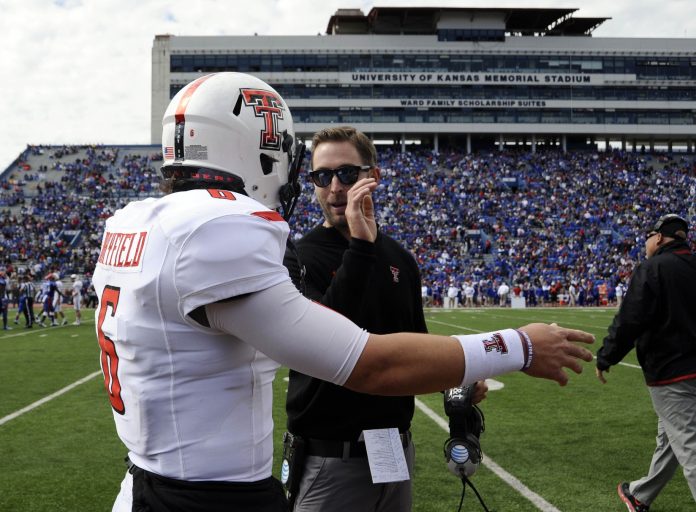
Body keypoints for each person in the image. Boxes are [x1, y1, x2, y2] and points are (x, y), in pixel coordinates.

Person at [93, 72, 594, 512]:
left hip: (154, 480)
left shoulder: (138, 223)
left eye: (346, 174)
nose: (326, 184)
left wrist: (453, 378)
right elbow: (365, 361)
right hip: (209, 493)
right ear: (258, 151)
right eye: (314, 172)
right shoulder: (219, 231)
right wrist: (518, 347)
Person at [282, 126, 485, 512]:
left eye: (346, 173)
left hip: (393, 450)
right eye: (322, 177)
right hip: (330, 459)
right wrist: (360, 245)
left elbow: (416, 345)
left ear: (372, 177)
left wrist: (452, 384)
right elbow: (326, 342)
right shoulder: (298, 257)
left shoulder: (400, 259)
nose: (335, 188)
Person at [595, 214, 696, 510]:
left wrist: (606, 356)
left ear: (660, 237)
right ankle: (640, 495)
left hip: (671, 373)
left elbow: (630, 319)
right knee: (671, 438)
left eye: (648, 237)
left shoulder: (653, 269)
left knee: (688, 446)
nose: (646, 243)